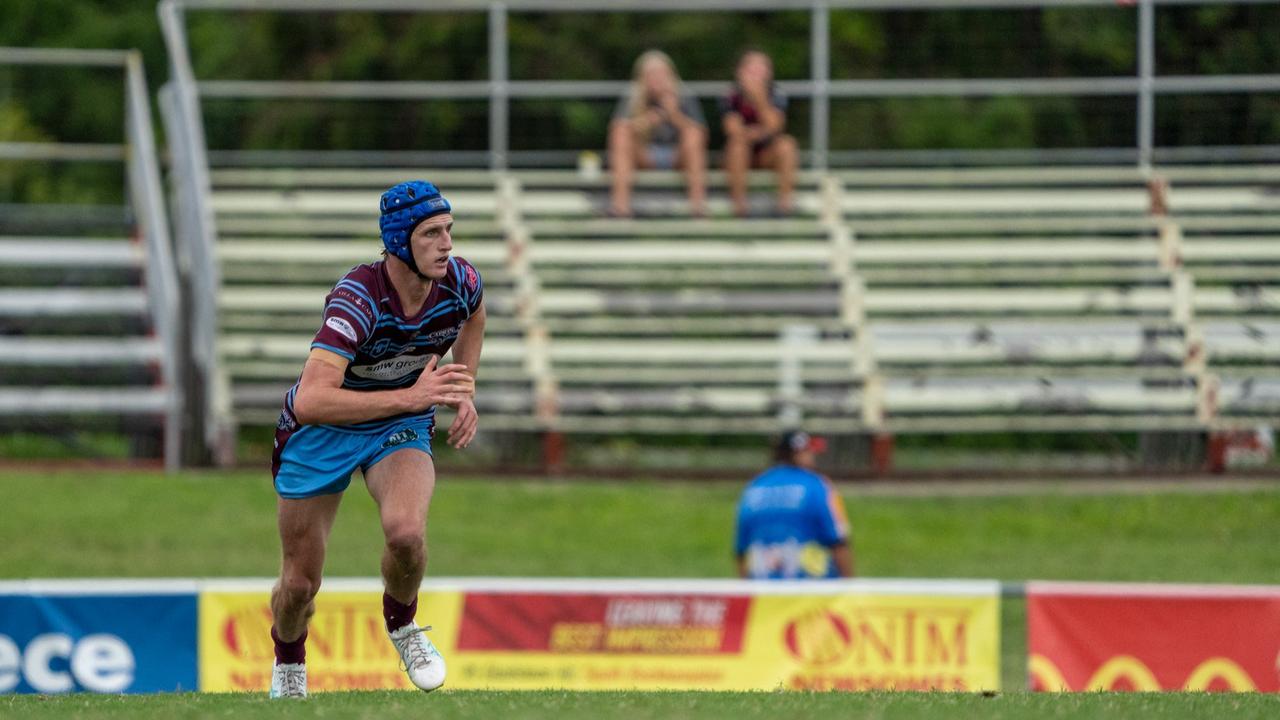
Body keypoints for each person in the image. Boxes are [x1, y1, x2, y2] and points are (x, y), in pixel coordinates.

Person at [266, 180, 485, 698]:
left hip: (395, 428)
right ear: (399, 242)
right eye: (431, 233)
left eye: (449, 230)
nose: (447, 244)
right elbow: (310, 401)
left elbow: (475, 317)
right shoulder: (358, 297)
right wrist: (410, 398)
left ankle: (403, 624)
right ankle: (289, 662)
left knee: (406, 533)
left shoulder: (461, 281)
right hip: (321, 431)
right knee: (299, 585)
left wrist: (463, 385)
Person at [734, 431, 854, 580]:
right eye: (809, 452)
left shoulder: (753, 488)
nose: (814, 458)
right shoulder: (818, 486)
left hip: (763, 593)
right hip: (812, 592)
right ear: (798, 454)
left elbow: (740, 552)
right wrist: (849, 588)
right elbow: (838, 543)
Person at [607, 49, 708, 218]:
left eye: (661, 74)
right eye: (651, 74)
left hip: (678, 156)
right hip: (644, 155)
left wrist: (675, 116)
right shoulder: (632, 97)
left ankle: (697, 208)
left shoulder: (685, 96)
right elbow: (617, 129)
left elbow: (702, 134)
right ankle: (620, 207)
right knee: (621, 132)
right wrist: (644, 123)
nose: (656, 79)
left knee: (693, 134)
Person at [720, 49, 799, 217]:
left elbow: (776, 126)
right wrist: (754, 133)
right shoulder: (731, 96)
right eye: (752, 69)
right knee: (737, 147)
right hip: (742, 152)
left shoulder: (776, 93)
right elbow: (732, 129)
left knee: (787, 145)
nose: (756, 75)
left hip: (768, 152)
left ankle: (784, 207)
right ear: (740, 72)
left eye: (761, 69)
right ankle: (740, 208)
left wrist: (759, 100)